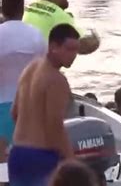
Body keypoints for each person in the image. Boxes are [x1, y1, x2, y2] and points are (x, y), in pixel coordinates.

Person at [8, 24, 79, 186]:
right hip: (41, 157)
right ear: (53, 46)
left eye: (76, 50)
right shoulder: (57, 80)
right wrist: (71, 161)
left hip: (17, 154)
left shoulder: (30, 69)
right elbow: (54, 126)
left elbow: (15, 113)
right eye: (69, 49)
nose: (74, 55)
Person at [0, 0, 47, 163]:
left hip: (2, 103)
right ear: (22, 10)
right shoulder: (35, 34)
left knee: (2, 160)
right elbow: (44, 68)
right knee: (29, 156)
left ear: (2, 10)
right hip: (30, 104)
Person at [23, 0, 99, 55]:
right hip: (40, 63)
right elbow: (82, 47)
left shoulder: (28, 7)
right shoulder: (59, 16)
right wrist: (95, 42)